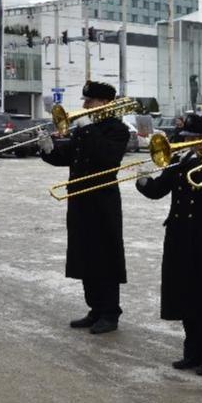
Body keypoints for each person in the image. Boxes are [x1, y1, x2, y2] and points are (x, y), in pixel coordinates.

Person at [135, 115, 202, 375]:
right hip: (181, 233)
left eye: (191, 139)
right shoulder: (182, 161)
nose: (185, 143)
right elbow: (158, 191)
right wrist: (144, 180)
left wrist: (191, 162)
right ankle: (192, 352)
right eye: (185, 139)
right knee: (185, 292)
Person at [38, 81, 130, 334]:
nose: (84, 106)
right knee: (86, 255)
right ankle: (95, 309)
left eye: (89, 101)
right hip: (80, 199)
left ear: (104, 103)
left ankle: (110, 313)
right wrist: (48, 149)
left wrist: (88, 129)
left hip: (103, 201)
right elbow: (69, 156)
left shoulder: (117, 129)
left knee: (105, 257)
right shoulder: (83, 128)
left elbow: (106, 157)